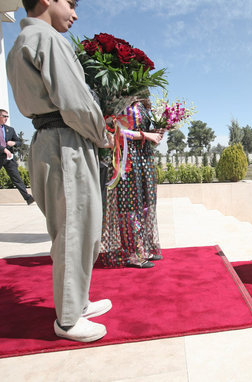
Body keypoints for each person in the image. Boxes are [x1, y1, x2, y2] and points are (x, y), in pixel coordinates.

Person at [7, 0, 111, 342]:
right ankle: (68, 318)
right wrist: (103, 136)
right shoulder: (49, 40)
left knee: (75, 228)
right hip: (67, 142)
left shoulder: (19, 44)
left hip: (47, 139)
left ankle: (77, 302)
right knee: (75, 229)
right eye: (71, 3)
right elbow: (76, 102)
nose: (76, 14)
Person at [99, 100, 164, 268]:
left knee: (144, 205)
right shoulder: (119, 102)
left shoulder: (142, 105)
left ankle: (143, 247)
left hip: (143, 155)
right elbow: (114, 133)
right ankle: (132, 253)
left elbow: (143, 131)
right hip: (127, 157)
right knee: (129, 206)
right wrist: (145, 135)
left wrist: (157, 131)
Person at [0, 109, 34, 205]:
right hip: (2, 154)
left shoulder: (10, 130)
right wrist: (3, 149)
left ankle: (28, 198)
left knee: (16, 178)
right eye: (4, 116)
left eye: (7, 116)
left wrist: (13, 142)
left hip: (8, 159)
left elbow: (19, 142)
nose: (6, 118)